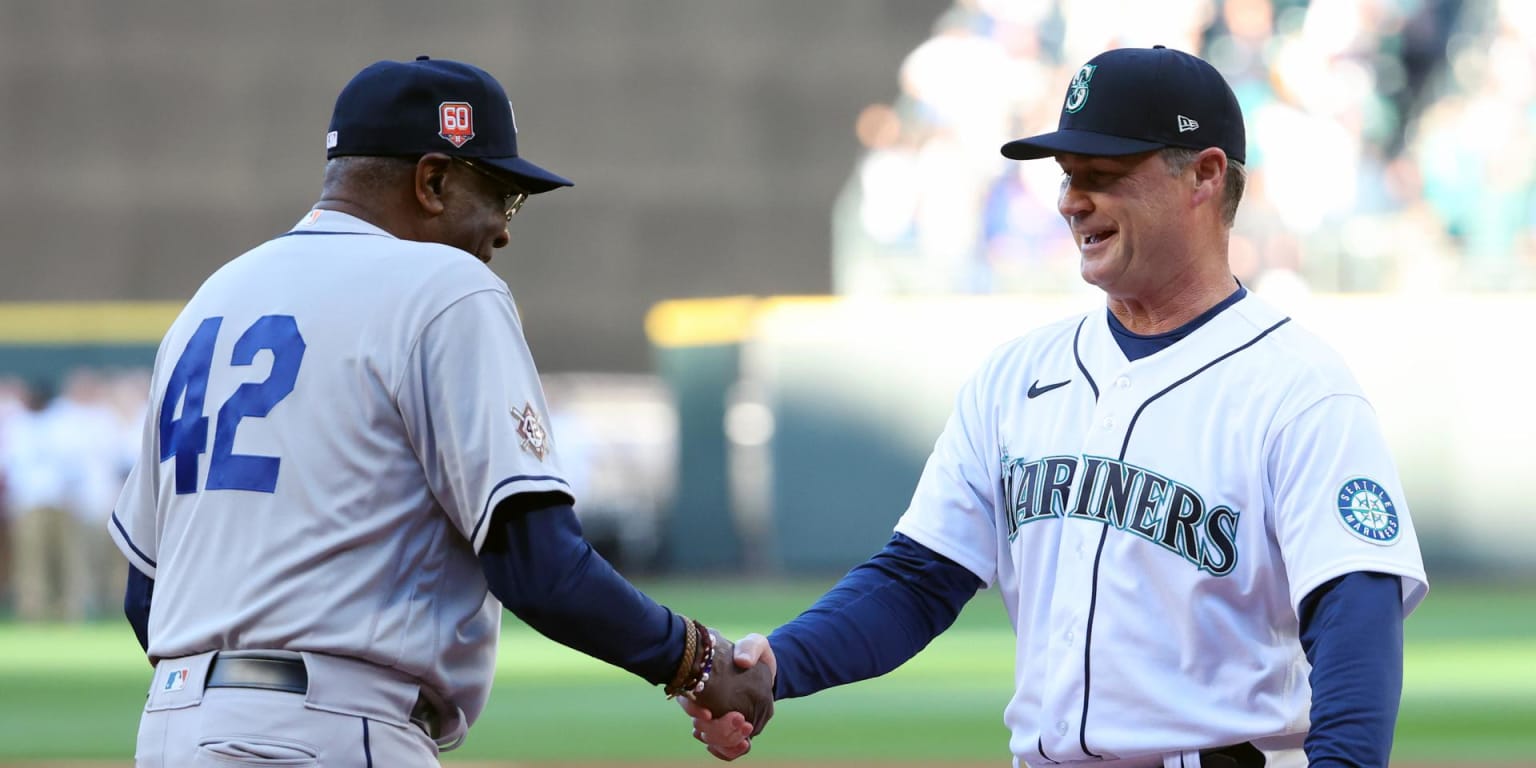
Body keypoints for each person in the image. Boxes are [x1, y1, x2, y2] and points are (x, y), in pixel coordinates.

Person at [686, 46, 1428, 768]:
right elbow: (916, 580)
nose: (1073, 200)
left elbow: (1355, 626)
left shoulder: (1299, 391)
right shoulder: (1017, 377)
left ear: (1203, 176)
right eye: (1069, 175)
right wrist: (779, 664)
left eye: (1103, 174)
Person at [108, 56, 769, 767]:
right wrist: (697, 661)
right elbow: (539, 567)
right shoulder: (444, 285)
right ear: (432, 181)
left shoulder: (213, 298)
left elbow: (146, 596)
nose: (504, 230)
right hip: (328, 730)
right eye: (501, 197)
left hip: (173, 728)